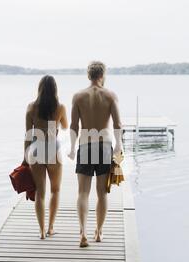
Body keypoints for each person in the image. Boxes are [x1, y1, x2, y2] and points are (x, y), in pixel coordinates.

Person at [68, 61, 123, 247]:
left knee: (83, 192)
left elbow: (74, 126)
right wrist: (119, 145)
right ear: (103, 75)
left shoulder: (78, 96)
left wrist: (71, 147)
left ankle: (83, 233)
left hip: (85, 145)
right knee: (102, 193)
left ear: (88, 75)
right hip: (104, 146)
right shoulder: (110, 95)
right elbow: (118, 124)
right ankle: (98, 233)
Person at [23, 75, 68, 239]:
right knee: (55, 190)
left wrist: (24, 158)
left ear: (39, 89)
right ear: (55, 89)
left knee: (40, 194)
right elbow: (65, 126)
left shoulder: (31, 107)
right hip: (53, 150)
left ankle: (41, 232)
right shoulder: (60, 107)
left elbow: (28, 135)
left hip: (35, 150)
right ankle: (50, 228)